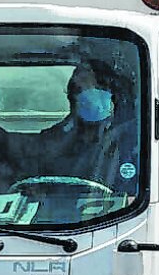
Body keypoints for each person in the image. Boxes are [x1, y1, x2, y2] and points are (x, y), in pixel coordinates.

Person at [39, 60, 138, 189]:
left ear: (111, 95)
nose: (85, 95)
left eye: (93, 88)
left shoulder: (132, 140)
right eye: (78, 90)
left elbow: (131, 193)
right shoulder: (57, 136)